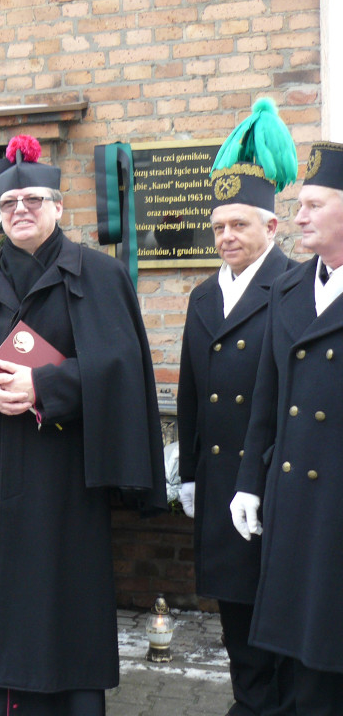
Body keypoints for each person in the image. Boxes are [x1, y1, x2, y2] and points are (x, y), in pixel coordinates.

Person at [0, 135, 166, 715]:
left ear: (59, 206)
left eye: (34, 200)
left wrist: (46, 387)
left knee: (60, 609)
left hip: (63, 481)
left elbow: (121, 370)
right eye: (9, 205)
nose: (21, 212)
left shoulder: (99, 275)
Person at [178, 100, 297, 715]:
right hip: (220, 478)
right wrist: (191, 473)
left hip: (273, 480)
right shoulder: (202, 296)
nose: (225, 237)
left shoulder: (297, 291)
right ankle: (249, 701)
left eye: (239, 226)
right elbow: (192, 395)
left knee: (272, 609)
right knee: (232, 607)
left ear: (271, 228)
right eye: (219, 226)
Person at [232, 140, 343, 715]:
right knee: (294, 655)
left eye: (314, 204)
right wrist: (250, 480)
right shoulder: (291, 287)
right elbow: (266, 399)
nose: (299, 216)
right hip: (292, 497)